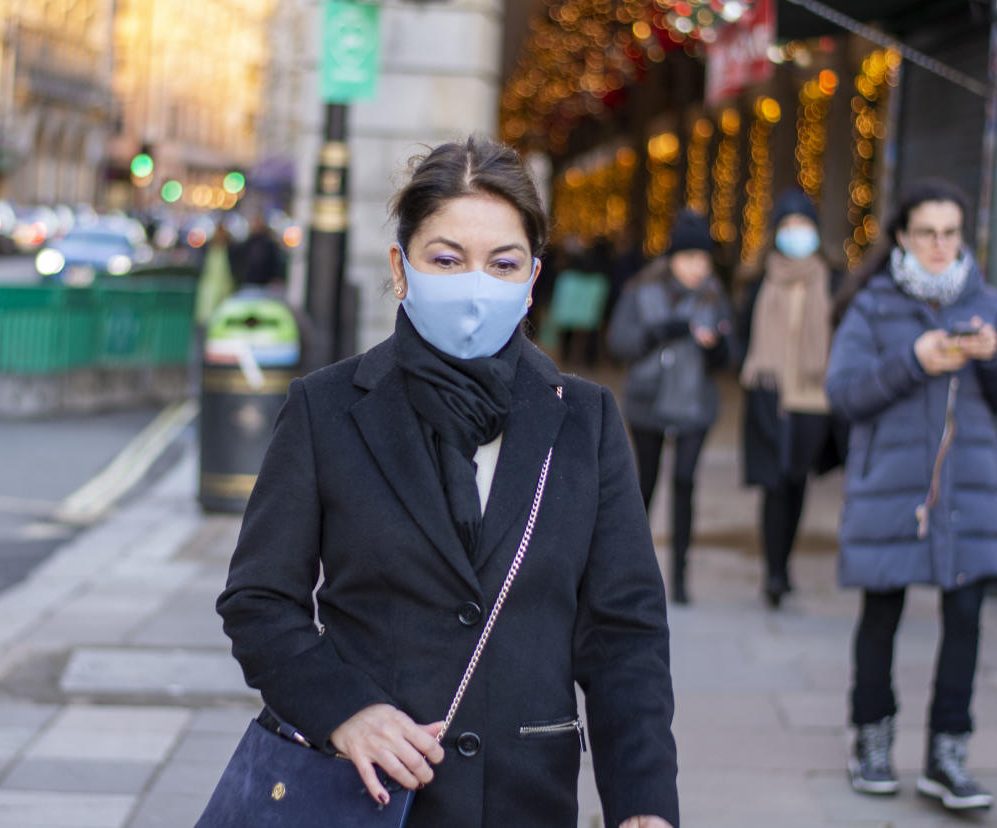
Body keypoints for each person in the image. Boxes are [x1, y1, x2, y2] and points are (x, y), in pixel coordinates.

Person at [217, 136, 679, 828]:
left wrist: (644, 805)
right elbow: (259, 600)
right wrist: (344, 711)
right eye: (447, 258)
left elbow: (623, 633)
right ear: (401, 270)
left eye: (502, 263)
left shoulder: (584, 419)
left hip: (526, 799)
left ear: (532, 280)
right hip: (366, 797)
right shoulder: (327, 409)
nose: (474, 285)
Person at [826, 178, 997, 812]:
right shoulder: (874, 306)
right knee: (881, 613)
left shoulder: (987, 303)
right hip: (893, 488)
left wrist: (993, 360)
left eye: (950, 233)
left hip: (971, 491)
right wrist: (915, 360)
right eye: (927, 232)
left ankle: (947, 756)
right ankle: (872, 742)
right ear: (903, 237)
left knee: (966, 619)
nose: (940, 245)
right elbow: (846, 394)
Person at [607, 209, 736, 605]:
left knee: (685, 482)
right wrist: (659, 333)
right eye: (690, 258)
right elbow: (619, 342)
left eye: (704, 259)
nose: (698, 267)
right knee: (644, 485)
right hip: (648, 402)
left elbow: (732, 356)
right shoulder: (641, 290)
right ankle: (632, 573)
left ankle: (679, 576)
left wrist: (718, 347)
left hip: (695, 402)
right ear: (673, 258)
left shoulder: (714, 295)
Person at [738, 188, 838, 608]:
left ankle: (786, 563)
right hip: (768, 394)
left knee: (797, 483)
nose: (796, 234)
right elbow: (743, 333)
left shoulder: (832, 278)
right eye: (788, 226)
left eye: (803, 225)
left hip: (815, 399)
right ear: (776, 231)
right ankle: (773, 574)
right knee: (774, 485)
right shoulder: (761, 279)